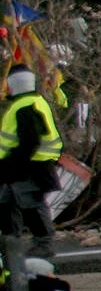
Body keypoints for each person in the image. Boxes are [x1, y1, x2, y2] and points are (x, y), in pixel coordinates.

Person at [0, 64, 63, 257]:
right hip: (25, 165)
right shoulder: (32, 102)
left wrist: (13, 163)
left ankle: (43, 244)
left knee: (31, 206)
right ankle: (11, 244)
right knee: (6, 204)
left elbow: (30, 141)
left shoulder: (25, 106)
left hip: (29, 166)